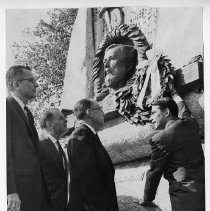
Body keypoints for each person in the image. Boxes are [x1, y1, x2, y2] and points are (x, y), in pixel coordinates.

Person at [141, 84, 205, 211]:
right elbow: (183, 110)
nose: (151, 118)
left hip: (184, 199)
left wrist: (147, 199)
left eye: (154, 113)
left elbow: (154, 173)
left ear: (166, 112)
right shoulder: (191, 124)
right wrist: (174, 93)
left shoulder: (160, 138)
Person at [6, 65, 50, 211]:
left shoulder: (27, 113)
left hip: (35, 191)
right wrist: (10, 191)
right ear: (16, 84)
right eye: (31, 80)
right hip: (18, 194)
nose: (36, 84)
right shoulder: (5, 107)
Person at [67, 98, 119, 211]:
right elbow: (86, 179)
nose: (103, 113)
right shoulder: (80, 135)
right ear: (89, 113)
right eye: (100, 109)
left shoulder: (90, 134)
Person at [39, 108, 69, 211]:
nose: (66, 120)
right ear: (49, 124)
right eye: (61, 118)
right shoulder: (39, 145)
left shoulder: (58, 146)